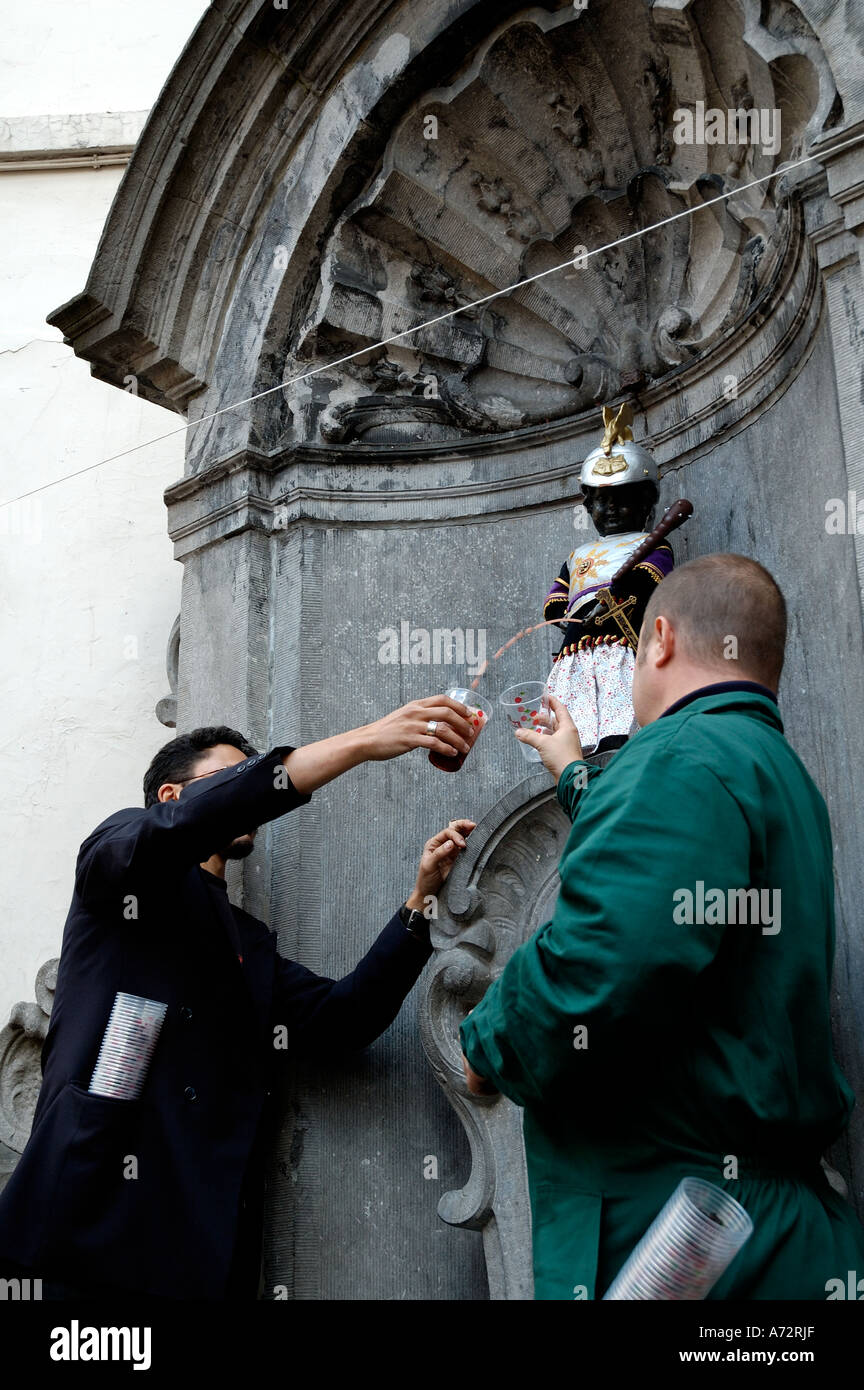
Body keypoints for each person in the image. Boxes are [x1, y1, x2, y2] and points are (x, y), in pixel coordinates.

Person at [460, 553, 864, 1300]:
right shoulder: (770, 769)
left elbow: (602, 967)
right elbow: (670, 876)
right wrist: (574, 771)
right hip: (772, 1235)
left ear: (662, 641)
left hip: (681, 1237)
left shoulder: (679, 758)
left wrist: (488, 1040)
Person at [0, 695, 478, 1300]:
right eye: (229, 777)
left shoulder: (247, 944)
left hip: (200, 1251)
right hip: (85, 1221)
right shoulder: (117, 854)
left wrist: (421, 903)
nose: (247, 787)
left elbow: (343, 1020)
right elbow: (186, 825)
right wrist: (365, 740)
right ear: (172, 797)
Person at [543, 402, 675, 755]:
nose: (611, 509)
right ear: (588, 506)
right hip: (578, 647)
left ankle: (618, 743)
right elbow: (557, 601)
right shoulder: (578, 556)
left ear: (646, 503)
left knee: (621, 699)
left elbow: (647, 587)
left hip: (622, 641)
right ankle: (579, 747)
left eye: (623, 500)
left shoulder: (653, 546)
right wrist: (566, 617)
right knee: (577, 703)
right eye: (602, 501)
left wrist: (615, 600)